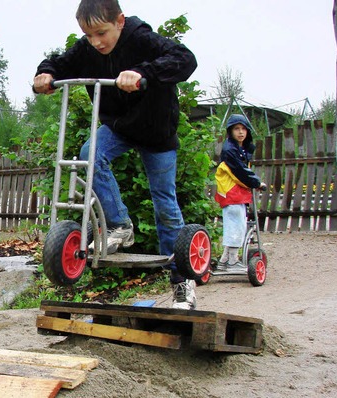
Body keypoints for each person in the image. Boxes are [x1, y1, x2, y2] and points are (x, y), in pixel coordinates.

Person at [32, 0, 198, 309]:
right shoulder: (88, 48)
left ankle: (181, 283)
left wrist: (141, 71)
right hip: (120, 127)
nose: (95, 42)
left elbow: (185, 59)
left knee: (165, 204)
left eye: (101, 33)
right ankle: (120, 225)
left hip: (156, 130)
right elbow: (60, 62)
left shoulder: (141, 38)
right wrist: (45, 73)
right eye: (88, 35)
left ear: (119, 21)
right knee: (89, 154)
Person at [215, 114, 266, 271]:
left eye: (243, 129)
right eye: (237, 129)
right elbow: (240, 171)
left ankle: (224, 261)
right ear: (230, 131)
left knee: (236, 225)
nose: (241, 132)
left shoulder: (239, 149)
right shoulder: (230, 150)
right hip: (232, 192)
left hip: (235, 192)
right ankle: (232, 262)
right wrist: (256, 182)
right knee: (236, 226)